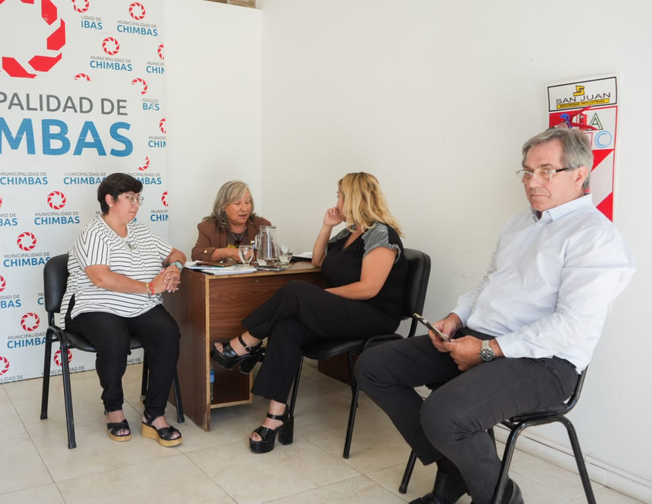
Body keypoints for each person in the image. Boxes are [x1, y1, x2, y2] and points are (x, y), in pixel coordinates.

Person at [356, 127, 635, 504]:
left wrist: (489, 349)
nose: (532, 181)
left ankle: (499, 497)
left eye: (546, 170)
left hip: (545, 363)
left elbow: (572, 325)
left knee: (444, 414)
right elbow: (490, 282)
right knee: (375, 365)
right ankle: (456, 471)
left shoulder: (595, 237)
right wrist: (456, 317)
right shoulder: (520, 223)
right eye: (527, 171)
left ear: (580, 174)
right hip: (478, 337)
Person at [212, 172, 408, 453]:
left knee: (295, 291)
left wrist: (319, 297)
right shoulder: (350, 232)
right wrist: (327, 226)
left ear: (352, 198)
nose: (337, 200)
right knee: (286, 327)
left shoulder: (380, 233)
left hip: (373, 315)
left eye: (339, 195)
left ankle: (244, 343)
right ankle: (276, 416)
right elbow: (318, 261)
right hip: (346, 311)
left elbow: (369, 289)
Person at [59, 173, 187, 447]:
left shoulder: (141, 231)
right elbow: (100, 278)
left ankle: (153, 413)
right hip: (95, 306)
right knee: (114, 342)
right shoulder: (94, 233)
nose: (135, 205)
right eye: (129, 198)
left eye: (138, 198)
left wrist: (174, 269)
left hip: (138, 306)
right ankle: (113, 408)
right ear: (109, 200)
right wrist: (150, 287)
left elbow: (177, 253)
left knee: (168, 334)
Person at [191, 180, 271, 262]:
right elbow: (197, 255)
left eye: (247, 202)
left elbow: (271, 257)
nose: (244, 209)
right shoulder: (209, 227)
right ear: (223, 206)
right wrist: (227, 252)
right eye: (237, 203)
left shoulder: (261, 226)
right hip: (223, 275)